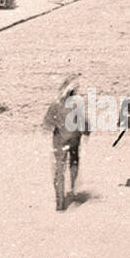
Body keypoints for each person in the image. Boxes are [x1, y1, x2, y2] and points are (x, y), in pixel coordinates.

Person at [44, 72, 86, 210]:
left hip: (60, 139)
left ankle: (60, 202)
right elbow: (84, 124)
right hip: (74, 138)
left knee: (59, 169)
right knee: (74, 160)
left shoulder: (55, 104)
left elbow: (48, 123)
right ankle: (73, 187)